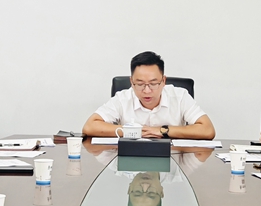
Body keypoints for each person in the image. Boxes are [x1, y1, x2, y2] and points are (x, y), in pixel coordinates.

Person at [82, 51, 215, 140]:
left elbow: (208, 130)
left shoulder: (180, 96)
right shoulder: (123, 98)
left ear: (163, 81)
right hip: (131, 161)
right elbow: (89, 126)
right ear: (131, 82)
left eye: (153, 83)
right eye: (140, 84)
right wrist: (134, 131)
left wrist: (162, 131)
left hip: (172, 160)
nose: (146, 91)